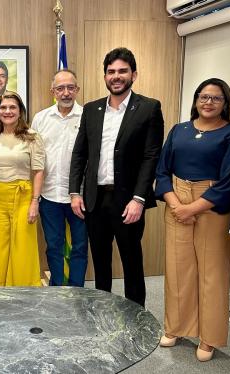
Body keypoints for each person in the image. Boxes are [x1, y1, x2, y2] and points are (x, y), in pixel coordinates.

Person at [155, 78, 230, 361]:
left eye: (216, 98)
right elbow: (161, 171)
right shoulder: (179, 130)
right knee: (178, 269)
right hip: (176, 199)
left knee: (211, 274)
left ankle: (209, 337)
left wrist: (192, 209)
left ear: (225, 104)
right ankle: (177, 327)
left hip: (210, 204)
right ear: (195, 100)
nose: (208, 102)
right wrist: (175, 204)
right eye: (203, 97)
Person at [68, 47, 164, 306]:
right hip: (95, 200)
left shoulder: (149, 108)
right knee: (100, 261)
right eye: (111, 72)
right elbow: (80, 155)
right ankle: (104, 312)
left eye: (122, 71)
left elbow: (150, 157)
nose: (116, 76)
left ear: (134, 75)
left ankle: (137, 317)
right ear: (105, 76)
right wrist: (75, 192)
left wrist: (139, 198)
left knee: (132, 261)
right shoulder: (91, 109)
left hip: (128, 201)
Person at [0, 91, 45, 286]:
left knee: (22, 248)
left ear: (20, 111)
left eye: (12, 107)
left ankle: (23, 293)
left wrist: (35, 201)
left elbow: (39, 171)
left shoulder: (32, 137)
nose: (7, 111)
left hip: (23, 197)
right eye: (3, 107)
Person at [31, 69, 88, 287]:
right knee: (53, 246)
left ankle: (77, 292)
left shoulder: (88, 116)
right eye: (60, 88)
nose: (66, 93)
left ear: (77, 90)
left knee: (80, 246)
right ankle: (56, 290)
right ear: (52, 91)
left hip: (80, 197)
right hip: (49, 196)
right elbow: (35, 158)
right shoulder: (40, 119)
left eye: (70, 87)